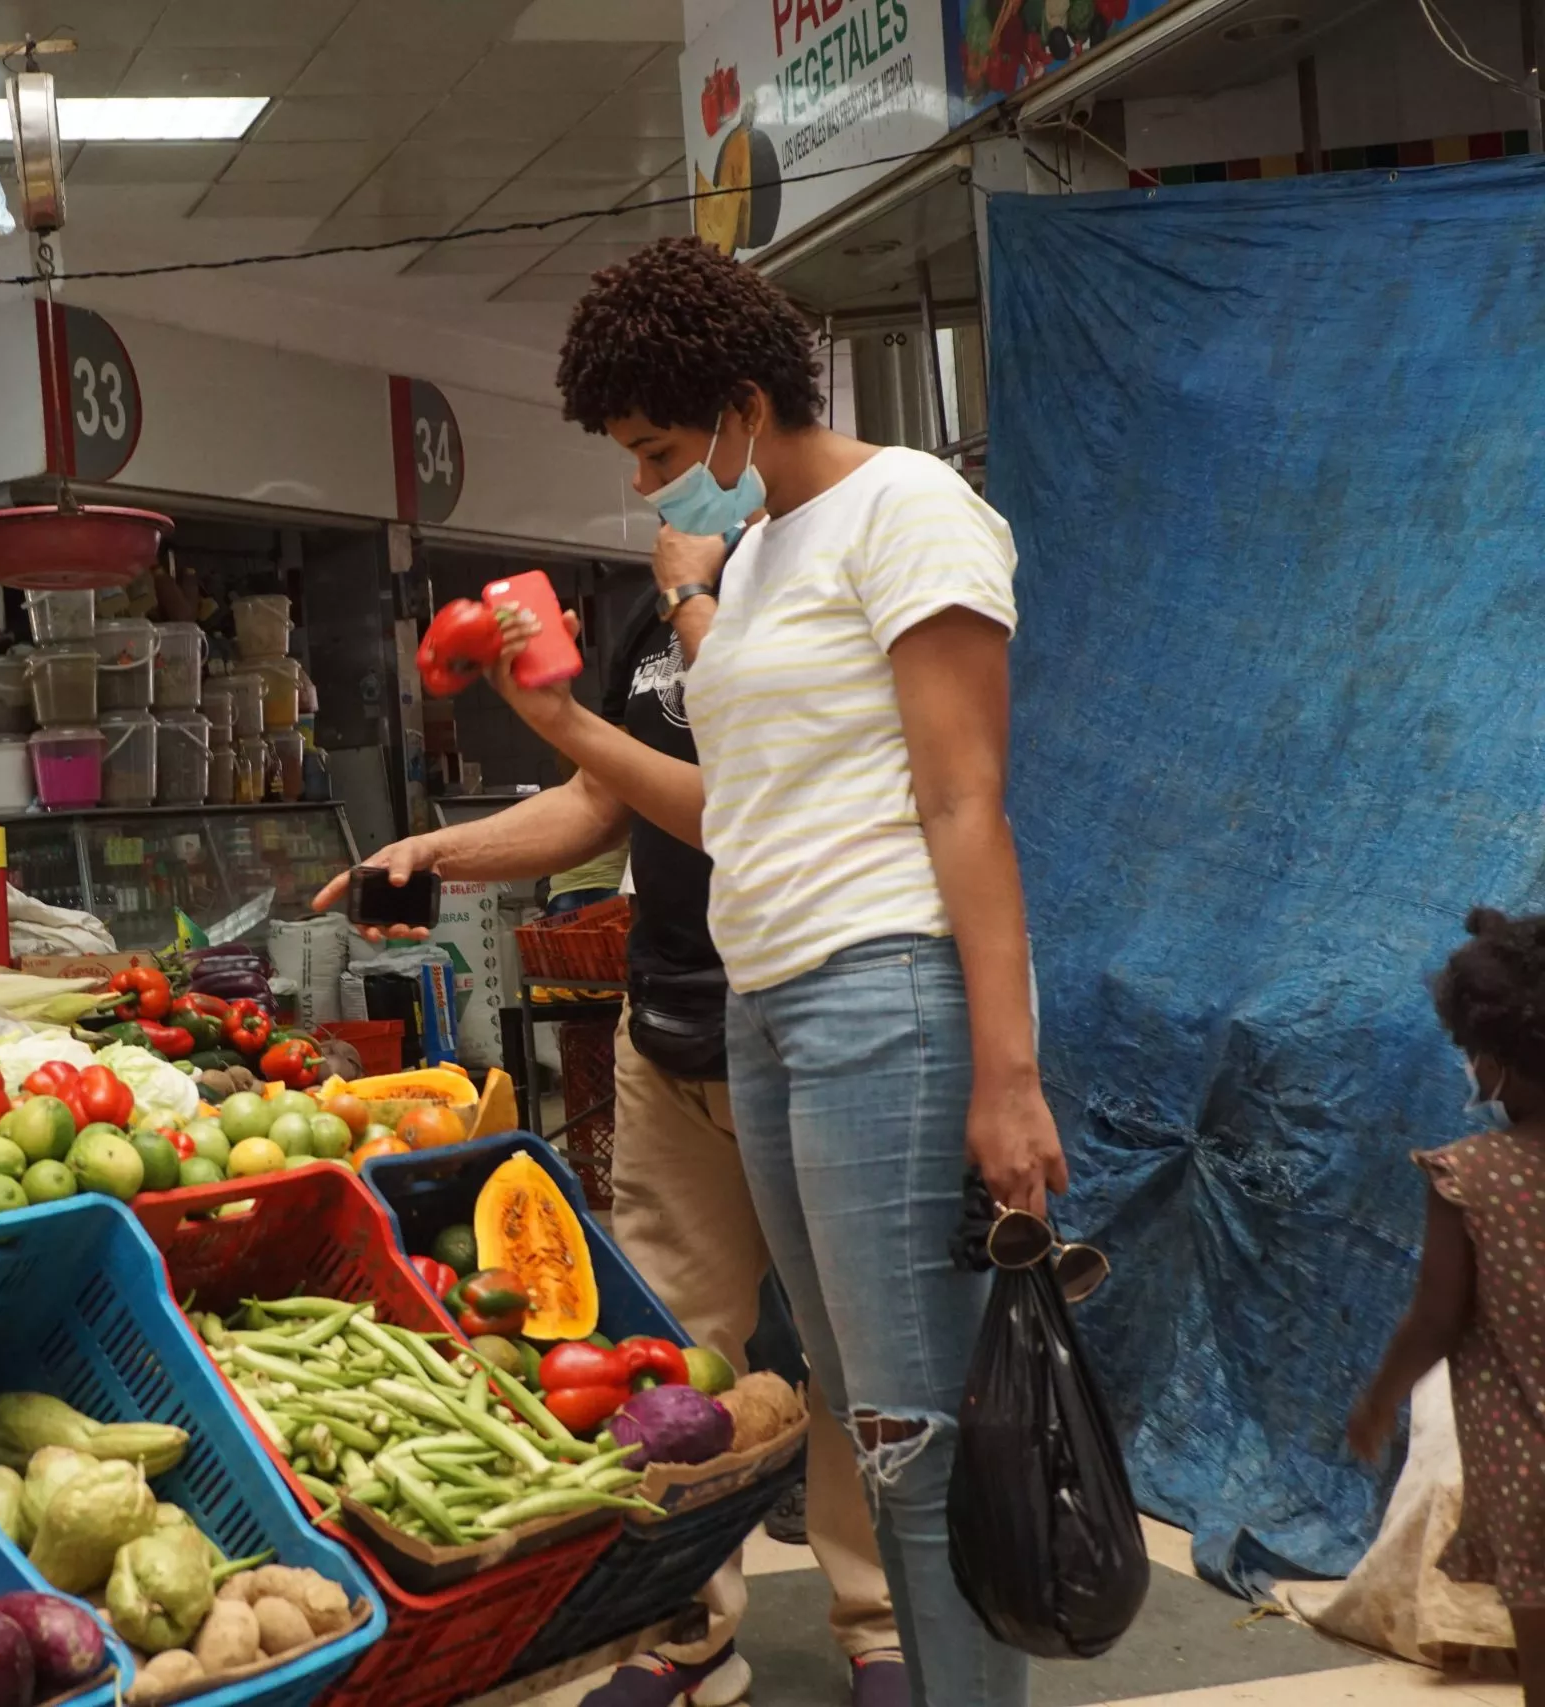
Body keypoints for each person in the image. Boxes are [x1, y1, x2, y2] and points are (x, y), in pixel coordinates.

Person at [456, 234, 1061, 1706]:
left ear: (741, 401)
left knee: (917, 1431)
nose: (653, 484)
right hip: (772, 1008)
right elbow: (737, 812)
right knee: (870, 1407)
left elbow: (964, 800)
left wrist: (1009, 1074)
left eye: (664, 447)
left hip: (886, 996)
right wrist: (562, 728)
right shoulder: (763, 551)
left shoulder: (908, 508)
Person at [314, 526, 904, 1707]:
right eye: (630, 454)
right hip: (667, 1028)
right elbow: (602, 802)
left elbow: (748, 799)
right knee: (668, 1345)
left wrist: (675, 610)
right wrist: (439, 851)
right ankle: (682, 1623)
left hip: (814, 1023)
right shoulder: (647, 618)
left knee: (857, 1351)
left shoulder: (836, 579)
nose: (646, 486)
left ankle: (877, 1624)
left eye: (659, 443)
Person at [1350, 908, 1545, 1705]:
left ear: (1495, 1060)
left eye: (1471, 1055)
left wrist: (1378, 1403)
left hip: (1529, 1470)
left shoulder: (1471, 1175)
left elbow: (1434, 1319)